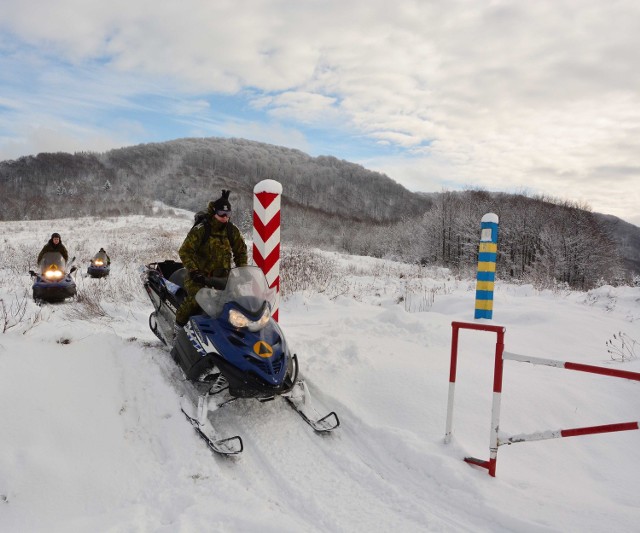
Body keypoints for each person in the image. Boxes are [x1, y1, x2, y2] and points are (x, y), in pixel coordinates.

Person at [174, 190, 248, 335]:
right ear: (214, 212)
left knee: (240, 303)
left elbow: (241, 251)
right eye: (221, 214)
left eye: (228, 214)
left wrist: (243, 271)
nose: (225, 218)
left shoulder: (232, 230)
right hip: (200, 278)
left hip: (224, 280)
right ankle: (177, 329)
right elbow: (185, 251)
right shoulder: (202, 229)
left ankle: (238, 336)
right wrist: (194, 271)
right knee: (194, 302)